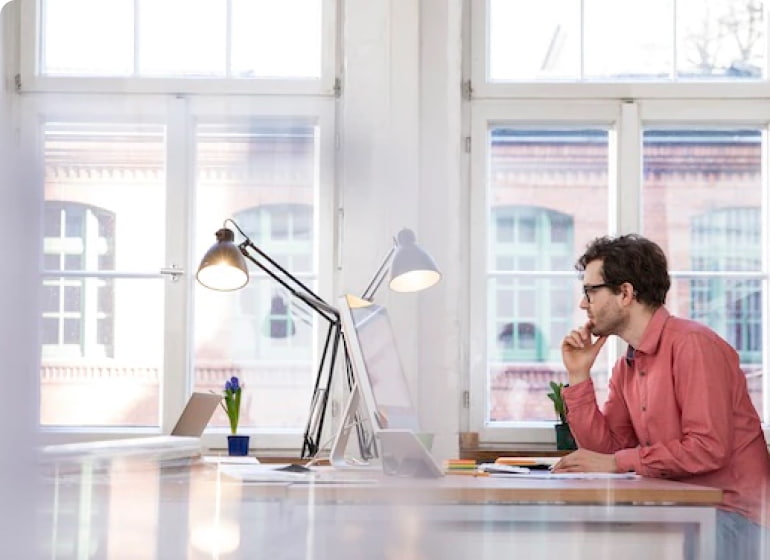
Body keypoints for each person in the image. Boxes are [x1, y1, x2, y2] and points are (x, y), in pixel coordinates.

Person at [553, 234, 770, 559]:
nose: (584, 304)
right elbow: (606, 452)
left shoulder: (693, 345)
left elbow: (707, 449)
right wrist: (578, 376)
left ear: (625, 293)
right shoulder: (626, 367)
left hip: (734, 515)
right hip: (685, 509)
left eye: (590, 291)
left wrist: (617, 462)